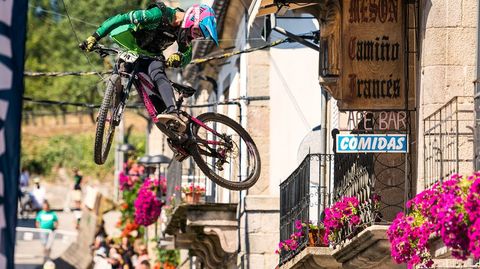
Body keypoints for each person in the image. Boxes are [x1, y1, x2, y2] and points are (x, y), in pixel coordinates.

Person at [81, 2, 218, 131]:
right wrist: (95, 37)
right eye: (196, 32)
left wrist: (179, 57)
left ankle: (173, 113)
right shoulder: (157, 15)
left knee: (157, 79)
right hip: (133, 49)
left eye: (198, 36)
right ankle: (109, 110)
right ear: (192, 19)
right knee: (122, 68)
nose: (194, 37)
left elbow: (187, 54)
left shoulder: (183, 31)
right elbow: (120, 19)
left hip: (153, 57)